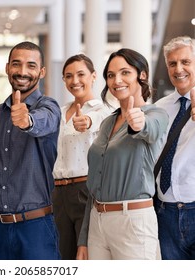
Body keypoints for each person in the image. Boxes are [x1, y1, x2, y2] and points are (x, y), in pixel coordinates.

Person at [0, 41, 62, 260]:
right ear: (7, 68)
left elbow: (44, 121)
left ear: (41, 71)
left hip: (36, 229)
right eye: (16, 64)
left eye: (31, 66)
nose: (22, 71)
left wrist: (27, 120)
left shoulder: (49, 107)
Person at [76, 48, 168, 260]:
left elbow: (149, 129)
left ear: (142, 75)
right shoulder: (108, 122)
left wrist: (138, 123)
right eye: (111, 75)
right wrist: (83, 238)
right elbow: (95, 185)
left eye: (125, 72)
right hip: (97, 221)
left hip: (132, 221)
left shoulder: (156, 114)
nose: (117, 80)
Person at [52, 54, 110, 260]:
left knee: (86, 255)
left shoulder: (104, 111)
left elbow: (94, 121)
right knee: (62, 256)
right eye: (68, 76)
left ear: (93, 76)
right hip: (58, 193)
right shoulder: (58, 112)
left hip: (85, 191)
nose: (74, 81)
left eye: (80, 74)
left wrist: (86, 121)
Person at [154, 36, 195, 260]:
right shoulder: (159, 108)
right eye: (172, 63)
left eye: (185, 62)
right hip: (165, 211)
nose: (178, 69)